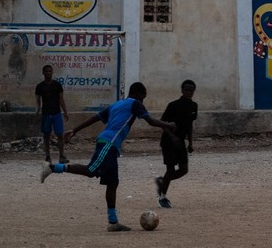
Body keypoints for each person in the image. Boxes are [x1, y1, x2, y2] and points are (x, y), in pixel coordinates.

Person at [39, 82, 175, 232]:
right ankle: (52, 167)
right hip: (108, 143)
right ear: (137, 94)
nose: (143, 101)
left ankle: (113, 222)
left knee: (112, 182)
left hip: (109, 143)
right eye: (143, 97)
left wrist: (75, 130)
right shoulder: (135, 103)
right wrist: (167, 125)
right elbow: (150, 121)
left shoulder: (116, 105)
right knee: (91, 170)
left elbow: (95, 118)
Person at [156, 79, 198, 208]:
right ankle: (162, 196)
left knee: (184, 169)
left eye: (191, 90)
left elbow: (190, 125)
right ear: (182, 90)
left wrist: (190, 143)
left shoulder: (193, 106)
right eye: (186, 90)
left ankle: (162, 181)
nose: (188, 92)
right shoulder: (173, 105)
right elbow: (163, 124)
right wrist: (172, 137)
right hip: (168, 142)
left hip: (180, 142)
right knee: (170, 169)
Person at [35, 64, 69, 164]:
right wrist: (37, 112)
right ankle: (47, 156)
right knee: (46, 135)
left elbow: (61, 99)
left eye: (50, 71)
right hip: (46, 114)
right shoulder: (39, 86)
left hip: (56, 113)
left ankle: (62, 156)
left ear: (52, 72)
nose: (48, 73)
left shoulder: (57, 85)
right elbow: (38, 101)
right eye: (46, 71)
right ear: (43, 73)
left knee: (60, 135)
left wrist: (65, 112)